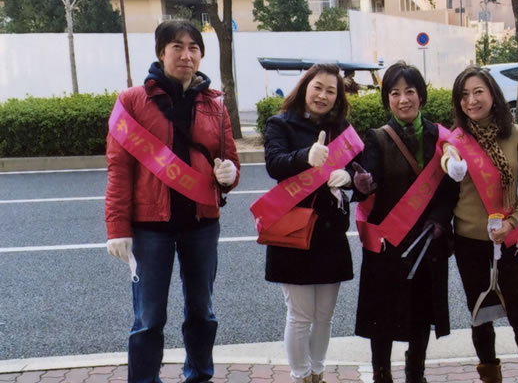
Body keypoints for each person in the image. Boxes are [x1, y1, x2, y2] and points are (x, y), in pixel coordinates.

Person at [105, 20, 240, 382]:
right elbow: (119, 170)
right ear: (161, 52)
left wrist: (229, 175)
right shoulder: (132, 101)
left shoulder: (215, 103)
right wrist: (117, 228)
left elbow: (229, 160)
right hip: (150, 227)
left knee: (202, 312)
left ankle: (199, 375)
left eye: (193, 47)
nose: (186, 55)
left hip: (201, 223)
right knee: (148, 318)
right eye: (177, 47)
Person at [441, 66, 518, 383]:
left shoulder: (517, 135)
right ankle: (489, 374)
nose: (471, 100)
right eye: (464, 95)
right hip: (468, 241)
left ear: (492, 94)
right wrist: (449, 160)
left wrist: (512, 222)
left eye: (478, 92)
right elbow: (445, 164)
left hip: (508, 238)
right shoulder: (455, 140)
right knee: (480, 315)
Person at [351, 61, 453, 383]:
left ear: (421, 95)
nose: (403, 99)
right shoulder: (377, 138)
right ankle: (381, 373)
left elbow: (451, 187)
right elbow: (368, 181)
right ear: (387, 100)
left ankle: (415, 372)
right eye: (394, 93)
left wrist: (439, 219)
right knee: (382, 315)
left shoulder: (441, 137)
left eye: (409, 91)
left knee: (422, 311)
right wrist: (363, 184)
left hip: (427, 240)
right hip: (389, 240)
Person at [260, 63, 359, 383]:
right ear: (305, 87)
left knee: (325, 316)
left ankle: (317, 372)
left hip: (331, 233)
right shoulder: (280, 123)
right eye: (318, 87)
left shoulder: (341, 128)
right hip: (294, 230)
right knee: (300, 315)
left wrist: (349, 178)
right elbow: (275, 164)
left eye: (331, 91)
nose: (323, 96)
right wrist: (306, 156)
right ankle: (300, 375)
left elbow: (360, 167)